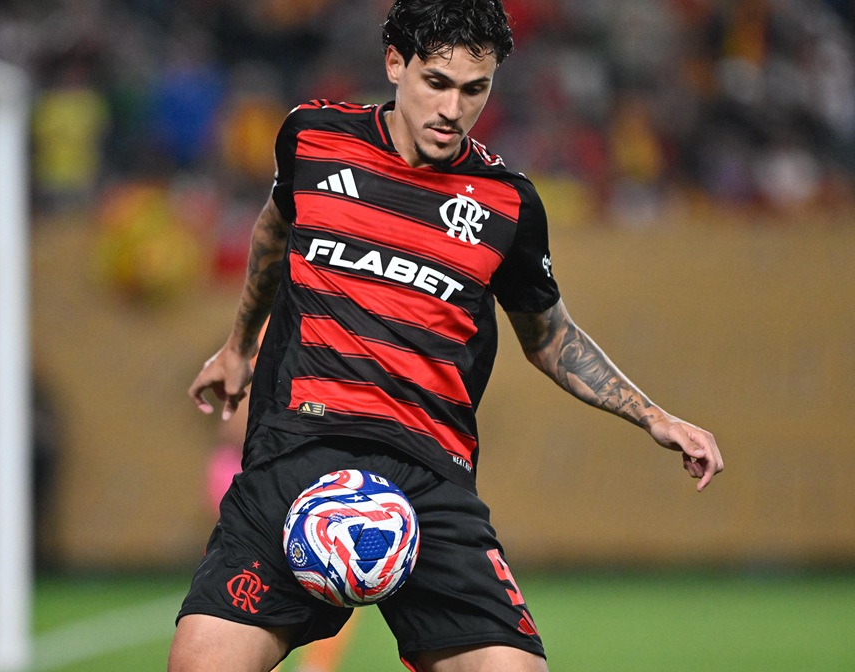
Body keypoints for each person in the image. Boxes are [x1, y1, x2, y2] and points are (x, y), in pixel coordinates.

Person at [169, 1, 724, 671]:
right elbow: (273, 229)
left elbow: (549, 335)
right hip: (295, 452)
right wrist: (238, 347)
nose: (453, 109)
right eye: (437, 82)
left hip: (430, 476)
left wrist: (653, 415)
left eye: (474, 89)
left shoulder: (508, 203)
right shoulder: (312, 138)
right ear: (394, 63)